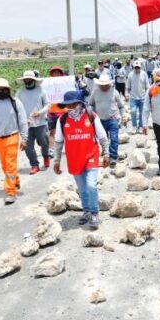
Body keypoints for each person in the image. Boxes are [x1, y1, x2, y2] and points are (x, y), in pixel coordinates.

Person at [53, 91, 110, 229]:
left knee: (91, 185)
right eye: (68, 105)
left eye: (74, 104)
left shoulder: (91, 116)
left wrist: (106, 153)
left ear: (80, 103)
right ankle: (86, 211)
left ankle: (95, 212)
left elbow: (102, 136)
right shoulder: (62, 120)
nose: (71, 107)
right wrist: (56, 160)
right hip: (74, 158)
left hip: (91, 155)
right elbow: (58, 142)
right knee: (82, 189)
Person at [0, 78, 28, 205]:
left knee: (10, 165)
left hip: (12, 136)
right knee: (5, 165)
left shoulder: (16, 102)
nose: (1, 91)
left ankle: (10, 191)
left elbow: (23, 121)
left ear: (8, 90)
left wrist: (24, 139)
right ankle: (15, 180)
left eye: (4, 89)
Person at [16, 70, 51, 175]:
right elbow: (16, 107)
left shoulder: (41, 91)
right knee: (28, 147)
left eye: (29, 79)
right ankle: (34, 165)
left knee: (44, 143)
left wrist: (40, 113)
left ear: (33, 79)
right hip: (26, 124)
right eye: (25, 79)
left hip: (41, 122)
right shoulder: (20, 93)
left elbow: (48, 105)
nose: (27, 80)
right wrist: (21, 120)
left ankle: (45, 156)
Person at [88, 74, 127, 168]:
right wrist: (91, 115)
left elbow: (121, 106)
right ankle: (105, 154)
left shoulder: (114, 92)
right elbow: (90, 104)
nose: (104, 86)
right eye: (102, 84)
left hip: (113, 119)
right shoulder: (95, 92)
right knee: (103, 139)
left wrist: (124, 116)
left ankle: (113, 157)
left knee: (114, 138)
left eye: (106, 84)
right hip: (99, 120)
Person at [46, 66, 68, 157]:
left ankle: (67, 147)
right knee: (52, 132)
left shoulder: (65, 83)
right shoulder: (48, 84)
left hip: (63, 111)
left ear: (60, 73)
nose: (56, 74)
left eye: (58, 72)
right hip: (52, 111)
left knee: (66, 131)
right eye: (54, 72)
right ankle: (51, 149)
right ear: (52, 74)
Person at [126, 62, 151, 132]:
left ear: (140, 67)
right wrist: (127, 95)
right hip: (133, 97)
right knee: (133, 111)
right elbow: (128, 86)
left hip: (142, 97)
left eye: (138, 67)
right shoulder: (130, 75)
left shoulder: (144, 74)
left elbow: (147, 86)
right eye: (135, 67)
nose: (137, 69)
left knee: (141, 113)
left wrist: (147, 95)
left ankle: (140, 126)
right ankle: (134, 126)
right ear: (133, 67)